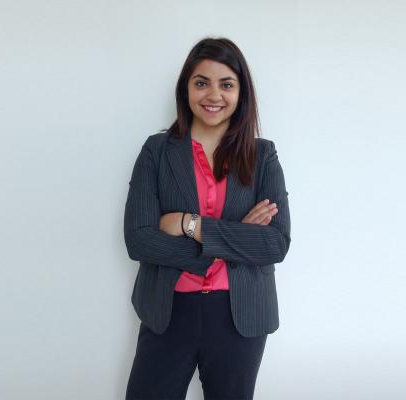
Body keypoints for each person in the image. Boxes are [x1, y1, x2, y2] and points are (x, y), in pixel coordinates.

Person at [123, 37, 291, 400]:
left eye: (226, 84)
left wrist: (191, 225)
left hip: (239, 314)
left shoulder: (263, 156)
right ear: (186, 89)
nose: (213, 94)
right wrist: (235, 238)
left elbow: (275, 243)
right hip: (168, 310)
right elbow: (138, 239)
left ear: (240, 93)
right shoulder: (157, 151)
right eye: (202, 82)